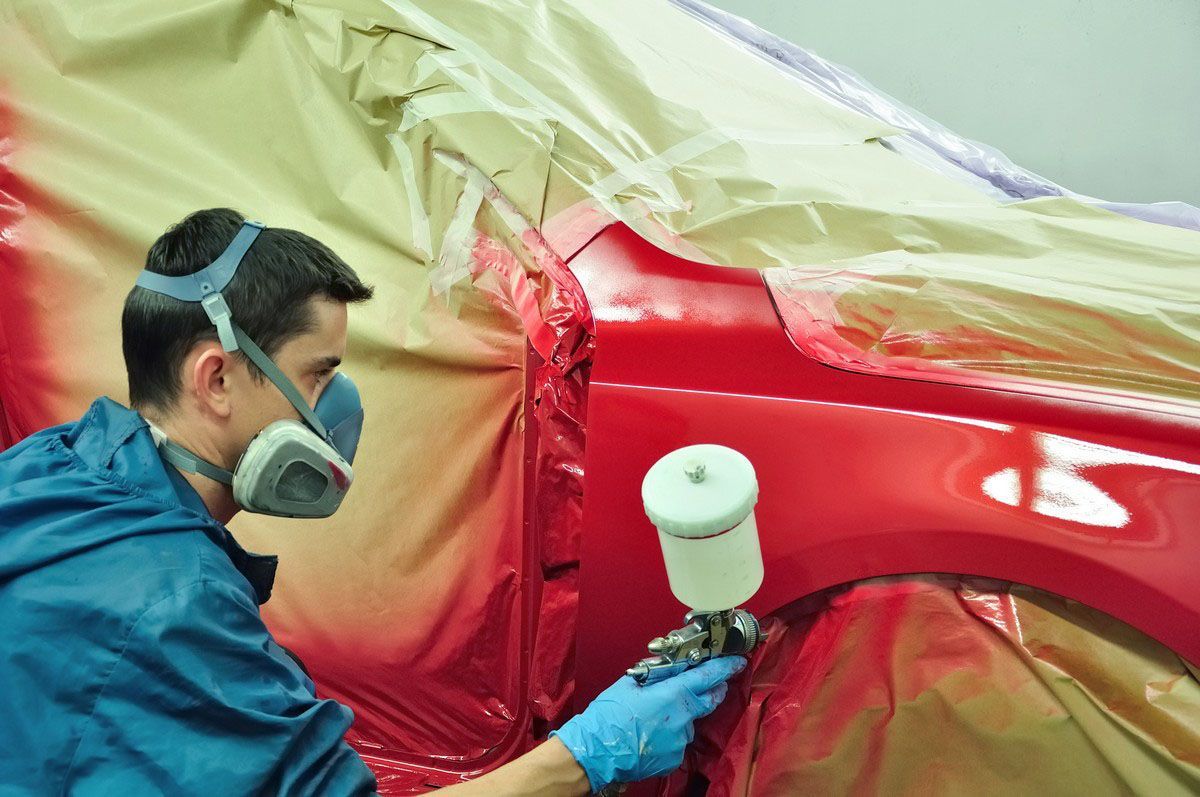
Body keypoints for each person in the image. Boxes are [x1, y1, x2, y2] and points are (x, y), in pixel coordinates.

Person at [0, 208, 743, 795]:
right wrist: (583, 757)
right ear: (216, 378)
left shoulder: (46, 469)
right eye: (320, 376)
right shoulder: (175, 606)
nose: (336, 414)